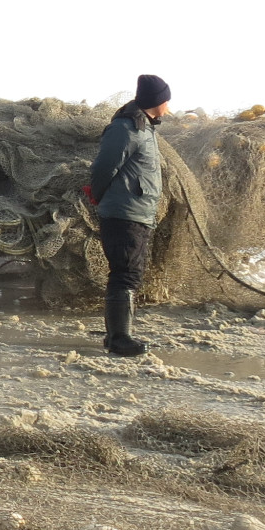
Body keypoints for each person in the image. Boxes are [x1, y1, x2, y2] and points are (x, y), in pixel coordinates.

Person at [87, 74, 171, 356]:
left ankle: (117, 335)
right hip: (124, 212)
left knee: (128, 272)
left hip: (137, 212)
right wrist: (97, 195)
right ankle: (120, 337)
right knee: (125, 272)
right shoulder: (127, 128)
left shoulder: (144, 128)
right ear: (157, 101)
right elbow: (104, 167)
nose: (169, 106)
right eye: (166, 100)